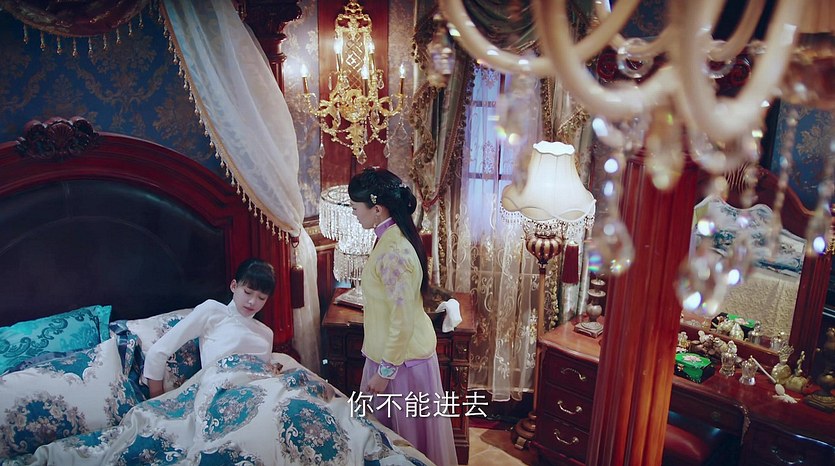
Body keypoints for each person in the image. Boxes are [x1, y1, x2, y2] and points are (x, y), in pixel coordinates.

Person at [348, 167, 458, 466]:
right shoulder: (389, 237)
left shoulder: (395, 251)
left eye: (356, 208)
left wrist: (385, 373)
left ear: (377, 209)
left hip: (401, 365)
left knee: (403, 448)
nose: (354, 214)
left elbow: (402, 319)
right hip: (390, 356)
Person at [143, 258, 276, 398]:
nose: (252, 302)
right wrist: (158, 399)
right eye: (248, 292)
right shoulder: (213, 311)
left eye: (261, 298)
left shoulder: (266, 333)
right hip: (221, 394)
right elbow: (157, 353)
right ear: (234, 286)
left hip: (261, 393)